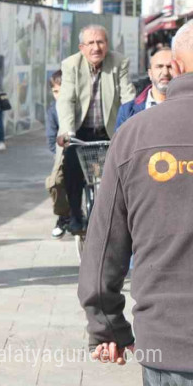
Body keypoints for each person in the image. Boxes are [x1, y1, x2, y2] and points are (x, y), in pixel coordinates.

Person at [78, 22, 193, 384]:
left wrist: (107, 325)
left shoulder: (135, 136)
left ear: (174, 66)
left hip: (169, 343)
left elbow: (104, 243)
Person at [56, 24, 136, 234]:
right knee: (70, 171)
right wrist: (67, 131)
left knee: (120, 174)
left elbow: (128, 97)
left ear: (107, 45)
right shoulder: (71, 64)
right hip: (79, 131)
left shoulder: (119, 62)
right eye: (90, 43)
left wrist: (131, 126)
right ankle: (74, 215)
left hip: (110, 131)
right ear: (82, 47)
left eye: (100, 42)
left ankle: (116, 218)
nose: (96, 48)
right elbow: (66, 99)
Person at [115, 48, 173, 130]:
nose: (165, 72)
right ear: (150, 73)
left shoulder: (187, 107)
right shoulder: (127, 111)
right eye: (159, 66)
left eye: (170, 67)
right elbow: (121, 142)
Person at [45, 70, 70, 238]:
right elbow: (51, 139)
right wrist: (60, 155)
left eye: (62, 91)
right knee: (55, 182)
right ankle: (64, 216)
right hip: (63, 154)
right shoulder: (53, 111)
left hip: (84, 150)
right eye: (55, 91)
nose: (58, 95)